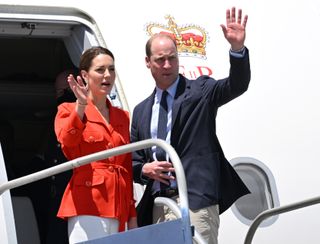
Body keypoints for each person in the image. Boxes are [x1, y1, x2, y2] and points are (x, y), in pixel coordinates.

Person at [131, 7, 250, 244]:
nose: (167, 65)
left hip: (195, 200)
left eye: (172, 58)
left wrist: (237, 50)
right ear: (148, 62)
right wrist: (145, 170)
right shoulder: (141, 111)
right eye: (160, 59)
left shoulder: (200, 91)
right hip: (158, 206)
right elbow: (134, 161)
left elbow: (237, 85)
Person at [54, 46, 137, 244]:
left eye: (112, 69)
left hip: (119, 208)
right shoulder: (67, 109)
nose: (107, 75)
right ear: (85, 75)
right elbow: (67, 143)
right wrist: (81, 107)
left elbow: (126, 168)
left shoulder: (123, 117)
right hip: (87, 204)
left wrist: (132, 215)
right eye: (100, 70)